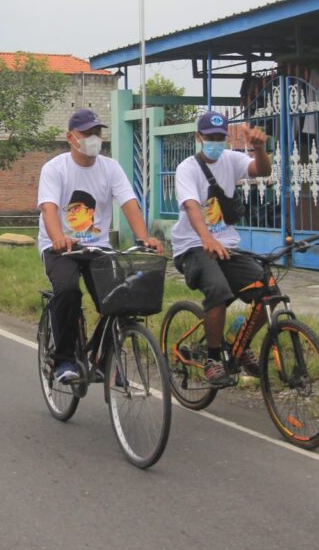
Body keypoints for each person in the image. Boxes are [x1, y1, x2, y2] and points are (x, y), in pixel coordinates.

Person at [37, 109, 164, 384]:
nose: (94, 138)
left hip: (97, 248)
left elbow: (129, 203)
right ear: (70, 137)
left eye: (97, 132)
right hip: (60, 247)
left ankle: (103, 361)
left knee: (120, 298)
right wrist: (59, 237)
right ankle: (65, 360)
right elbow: (48, 209)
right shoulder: (55, 168)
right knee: (69, 290)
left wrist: (144, 237)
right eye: (87, 133)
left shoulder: (110, 167)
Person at [170, 110, 272, 387]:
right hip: (192, 246)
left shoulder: (231, 159)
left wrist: (260, 149)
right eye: (210, 137)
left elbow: (262, 170)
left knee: (268, 291)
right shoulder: (187, 169)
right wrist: (206, 238)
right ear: (199, 137)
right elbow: (192, 205)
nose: (216, 142)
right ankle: (213, 359)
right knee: (217, 290)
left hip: (226, 246)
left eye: (220, 137)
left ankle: (238, 344)